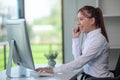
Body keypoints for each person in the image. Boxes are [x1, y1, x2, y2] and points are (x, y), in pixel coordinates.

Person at [35, 5, 114, 79]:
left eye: (81, 19)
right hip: (90, 77)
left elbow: (79, 63)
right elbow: (78, 59)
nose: (78, 23)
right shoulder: (89, 37)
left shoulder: (98, 40)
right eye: (78, 19)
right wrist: (75, 38)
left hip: (99, 79)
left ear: (92, 20)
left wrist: (52, 70)